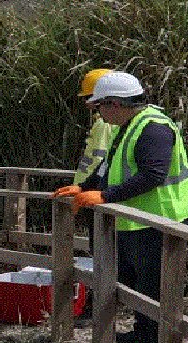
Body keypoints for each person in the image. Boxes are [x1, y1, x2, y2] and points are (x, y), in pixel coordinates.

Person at [52, 71, 188, 343]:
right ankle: (142, 336)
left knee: (154, 288)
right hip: (140, 220)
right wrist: (84, 187)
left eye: (100, 107)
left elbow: (152, 175)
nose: (99, 114)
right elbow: (108, 167)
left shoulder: (153, 128)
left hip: (163, 222)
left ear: (115, 103)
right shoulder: (128, 126)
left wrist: (105, 197)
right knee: (136, 283)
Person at [72, 68, 117, 322]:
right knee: (100, 251)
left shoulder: (103, 125)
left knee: (99, 251)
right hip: (92, 194)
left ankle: (94, 306)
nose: (88, 105)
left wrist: (87, 189)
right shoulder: (109, 123)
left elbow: (100, 163)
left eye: (90, 99)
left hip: (95, 197)